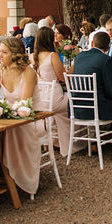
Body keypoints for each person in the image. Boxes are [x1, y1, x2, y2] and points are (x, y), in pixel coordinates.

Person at [0, 36, 42, 194]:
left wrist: (2, 109)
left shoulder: (28, 72)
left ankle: (12, 176)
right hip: (9, 118)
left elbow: (25, 102)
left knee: (5, 132)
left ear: (15, 54)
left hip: (30, 118)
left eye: (4, 52)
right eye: (0, 52)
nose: (0, 56)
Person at [32, 27, 72, 155]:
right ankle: (72, 142)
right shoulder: (52, 56)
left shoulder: (33, 57)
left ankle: (55, 139)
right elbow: (64, 78)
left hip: (39, 100)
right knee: (75, 102)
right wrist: (75, 65)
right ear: (49, 40)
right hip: (53, 99)